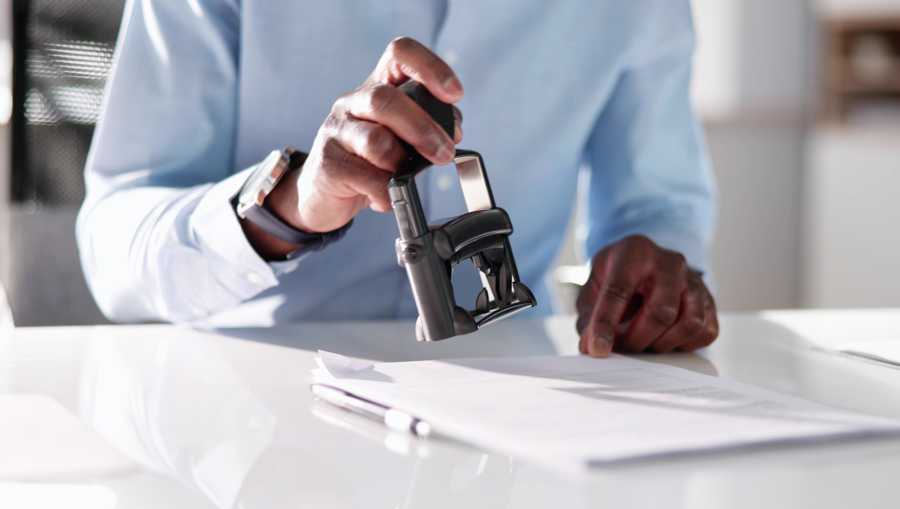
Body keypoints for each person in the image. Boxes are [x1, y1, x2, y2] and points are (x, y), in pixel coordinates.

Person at [77, 1, 719, 357]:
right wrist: (286, 206)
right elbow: (113, 252)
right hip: (254, 398)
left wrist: (657, 271)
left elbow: (656, 206)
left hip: (519, 398)